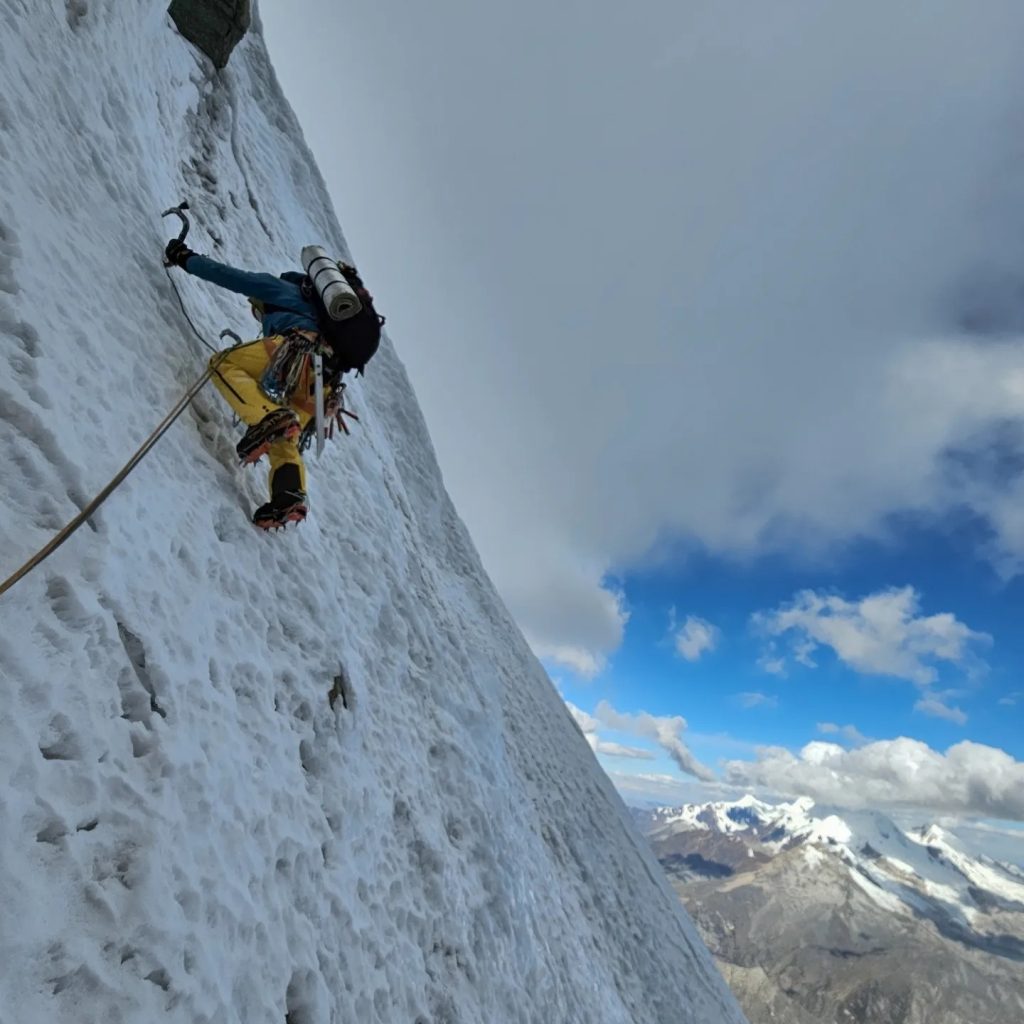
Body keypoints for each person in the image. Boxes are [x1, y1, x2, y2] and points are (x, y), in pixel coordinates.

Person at [165, 238, 381, 529]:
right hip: (323, 387)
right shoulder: (327, 316)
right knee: (285, 435)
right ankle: (288, 494)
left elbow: (231, 277)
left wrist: (185, 257)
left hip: (296, 351)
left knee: (224, 364)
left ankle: (267, 417)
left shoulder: (285, 290)